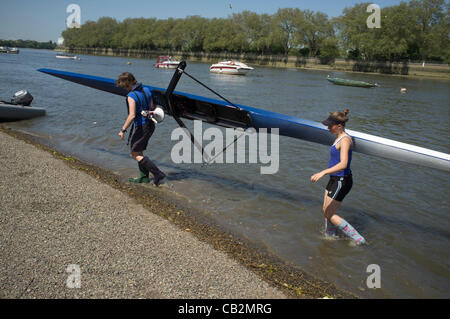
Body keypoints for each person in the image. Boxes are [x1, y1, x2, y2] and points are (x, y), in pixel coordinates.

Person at [310, 109, 366, 245]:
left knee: (329, 213)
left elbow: (343, 164)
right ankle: (330, 236)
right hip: (335, 179)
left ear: (339, 126)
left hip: (342, 180)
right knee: (326, 210)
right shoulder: (339, 137)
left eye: (330, 125)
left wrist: (323, 172)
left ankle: (358, 239)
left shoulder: (345, 140)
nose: (328, 127)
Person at [115, 72, 166, 186]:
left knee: (134, 154)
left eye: (123, 86)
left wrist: (123, 130)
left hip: (141, 126)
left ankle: (158, 173)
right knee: (139, 151)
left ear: (127, 84)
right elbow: (152, 107)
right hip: (150, 125)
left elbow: (132, 115)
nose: (124, 89)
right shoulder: (147, 90)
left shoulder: (131, 96)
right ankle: (144, 178)